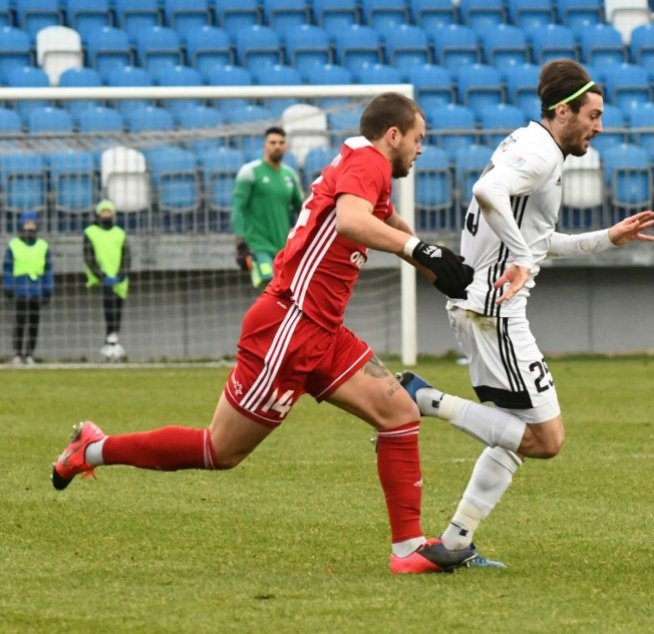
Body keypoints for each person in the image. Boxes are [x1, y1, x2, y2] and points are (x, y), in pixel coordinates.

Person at [51, 92, 477, 574]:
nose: (422, 149)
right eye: (419, 139)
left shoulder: (365, 163)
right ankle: (90, 449)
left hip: (322, 330)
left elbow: (381, 217)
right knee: (219, 450)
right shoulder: (371, 163)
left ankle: (407, 549)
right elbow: (353, 221)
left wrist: (431, 259)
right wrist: (421, 250)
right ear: (394, 135)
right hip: (289, 326)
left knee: (398, 413)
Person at [398, 59, 654, 567]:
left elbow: (541, 243)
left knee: (516, 435)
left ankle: (453, 545)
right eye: (593, 115)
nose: (599, 127)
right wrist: (519, 256)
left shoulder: (531, 145)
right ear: (563, 111)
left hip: (482, 306)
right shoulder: (540, 155)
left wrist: (608, 238)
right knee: (547, 439)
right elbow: (487, 194)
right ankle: (422, 398)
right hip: (496, 310)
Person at [232, 126, 305, 288]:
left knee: (285, 291)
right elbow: (238, 208)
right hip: (258, 246)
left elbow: (302, 209)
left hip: (284, 248)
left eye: (281, 142)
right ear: (264, 146)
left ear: (286, 146)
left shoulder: (290, 175)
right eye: (272, 142)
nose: (277, 146)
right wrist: (240, 240)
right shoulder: (249, 172)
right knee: (269, 284)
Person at [2, 211, 54, 364]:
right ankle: (18, 354)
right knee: (19, 323)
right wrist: (9, 286)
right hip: (20, 290)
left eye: (32, 225)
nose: (29, 228)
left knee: (33, 323)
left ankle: (30, 353)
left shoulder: (43, 246)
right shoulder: (14, 245)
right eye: (26, 224)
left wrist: (47, 289)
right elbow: (7, 268)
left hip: (36, 290)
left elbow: (48, 270)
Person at [83, 199, 131, 361]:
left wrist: (122, 274)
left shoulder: (120, 233)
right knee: (109, 311)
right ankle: (110, 344)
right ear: (98, 214)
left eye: (108, 212)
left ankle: (112, 344)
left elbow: (127, 256)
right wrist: (101, 275)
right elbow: (88, 257)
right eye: (103, 212)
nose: (106, 215)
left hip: (119, 279)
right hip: (102, 279)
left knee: (117, 311)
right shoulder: (90, 232)